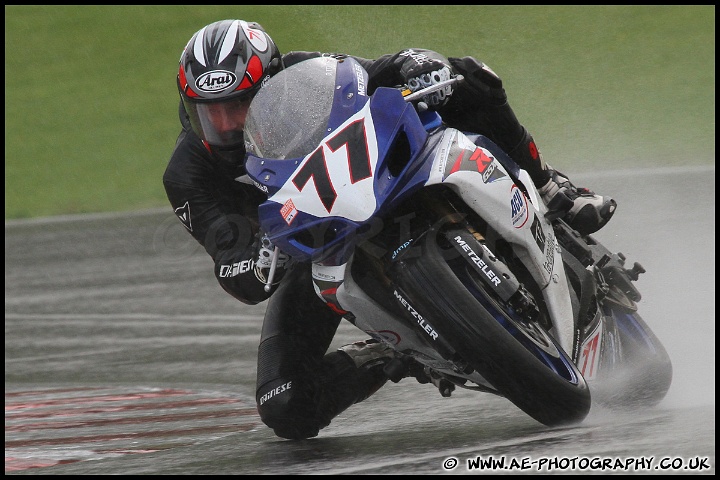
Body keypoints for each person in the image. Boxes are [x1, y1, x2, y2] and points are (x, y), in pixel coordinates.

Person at [163, 19, 616, 440]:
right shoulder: (187, 175)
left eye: (239, 106)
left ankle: (551, 185)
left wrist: (413, 64)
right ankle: (390, 352)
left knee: (469, 75)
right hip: (315, 250)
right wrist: (256, 255)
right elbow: (229, 257)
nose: (224, 125)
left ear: (269, 85)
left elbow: (373, 75)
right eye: (209, 112)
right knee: (284, 405)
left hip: (380, 181)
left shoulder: (303, 74)